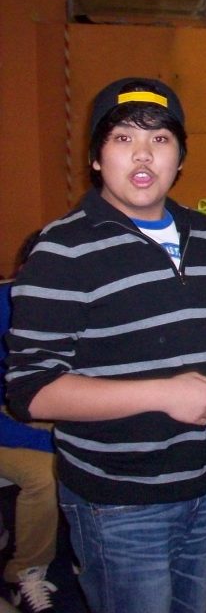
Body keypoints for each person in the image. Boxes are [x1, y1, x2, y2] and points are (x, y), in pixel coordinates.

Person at [5, 77, 206, 613]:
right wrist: (163, 394)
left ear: (180, 157)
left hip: (199, 480)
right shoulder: (61, 250)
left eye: (160, 139)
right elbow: (31, 392)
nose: (143, 154)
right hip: (115, 502)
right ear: (96, 158)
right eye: (123, 138)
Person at [1, 252, 59, 613]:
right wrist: (48, 441)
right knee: (45, 474)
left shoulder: (65, 308)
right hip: (8, 416)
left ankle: (93, 551)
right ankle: (24, 573)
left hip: (31, 406)